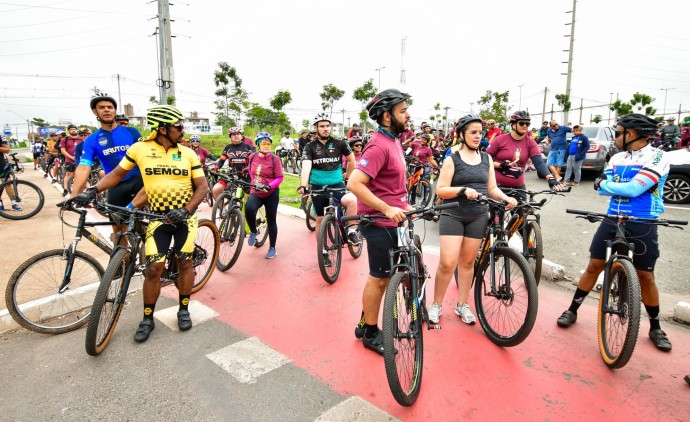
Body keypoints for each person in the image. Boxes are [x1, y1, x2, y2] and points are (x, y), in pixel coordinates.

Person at [75, 105, 208, 343]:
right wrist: (92, 190)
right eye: (178, 127)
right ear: (163, 128)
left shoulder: (188, 153)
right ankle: (147, 318)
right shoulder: (140, 149)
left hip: (184, 218)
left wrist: (186, 210)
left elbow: (203, 187)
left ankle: (184, 309)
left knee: (184, 262)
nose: (182, 131)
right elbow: (116, 174)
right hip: (158, 218)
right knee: (153, 270)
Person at [556, 113, 673, 352]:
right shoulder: (617, 157)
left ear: (631, 134)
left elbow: (630, 188)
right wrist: (609, 186)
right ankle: (572, 309)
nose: (616, 137)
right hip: (612, 218)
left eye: (618, 133)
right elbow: (603, 188)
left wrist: (608, 185)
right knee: (594, 265)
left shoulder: (659, 156)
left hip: (643, 221)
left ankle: (655, 326)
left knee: (646, 276)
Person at [427, 114, 517, 325]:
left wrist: (506, 198)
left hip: (478, 215)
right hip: (453, 214)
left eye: (480, 132)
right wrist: (463, 190)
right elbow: (441, 190)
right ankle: (436, 304)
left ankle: (462, 305)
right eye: (473, 133)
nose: (478, 136)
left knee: (467, 263)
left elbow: (492, 188)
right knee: (448, 263)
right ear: (462, 135)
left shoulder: (486, 158)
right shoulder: (452, 158)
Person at [347, 89, 412, 355]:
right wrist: (386, 208)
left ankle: (365, 323)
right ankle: (371, 333)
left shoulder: (393, 140)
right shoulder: (378, 145)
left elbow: (389, 184)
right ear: (387, 116)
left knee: (384, 278)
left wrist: (405, 206)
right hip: (378, 223)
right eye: (402, 111)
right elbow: (354, 182)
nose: (408, 115)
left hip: (394, 220)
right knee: (379, 278)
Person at [72, 95, 144, 215]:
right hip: (114, 184)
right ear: (95, 111)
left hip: (139, 181)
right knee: (118, 228)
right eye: (101, 107)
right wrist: (74, 195)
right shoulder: (91, 139)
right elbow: (83, 167)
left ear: (114, 111)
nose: (106, 110)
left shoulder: (132, 132)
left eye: (110, 107)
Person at [298, 113, 359, 250]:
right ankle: (323, 250)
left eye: (327, 126)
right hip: (318, 186)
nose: (325, 129)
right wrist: (303, 184)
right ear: (316, 128)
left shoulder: (340, 143)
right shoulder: (309, 146)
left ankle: (351, 231)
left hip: (337, 184)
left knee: (352, 201)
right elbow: (306, 167)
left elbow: (352, 160)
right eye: (322, 126)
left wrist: (347, 177)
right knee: (319, 220)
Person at [486, 111, 563, 198]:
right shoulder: (500, 139)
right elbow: (484, 159)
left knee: (521, 211)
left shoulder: (530, 142)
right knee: (497, 211)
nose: (525, 126)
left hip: (518, 187)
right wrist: (500, 165)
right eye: (522, 123)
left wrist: (550, 178)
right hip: (497, 186)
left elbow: (539, 163)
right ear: (513, 125)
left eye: (527, 123)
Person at [245, 132, 283, 259]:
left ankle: (272, 248)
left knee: (271, 220)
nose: (266, 146)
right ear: (258, 145)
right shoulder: (252, 157)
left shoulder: (274, 159)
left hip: (271, 193)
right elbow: (251, 172)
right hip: (256, 191)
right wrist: (254, 182)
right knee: (249, 208)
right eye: (263, 143)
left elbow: (280, 177)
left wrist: (269, 186)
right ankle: (253, 231)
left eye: (268, 143)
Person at [212, 126, 254, 198]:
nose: (236, 136)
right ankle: (222, 208)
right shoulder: (228, 147)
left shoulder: (248, 147)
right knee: (216, 189)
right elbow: (222, 160)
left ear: (242, 136)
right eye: (233, 134)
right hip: (232, 175)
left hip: (246, 176)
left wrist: (249, 168)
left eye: (238, 134)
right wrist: (217, 167)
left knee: (250, 198)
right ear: (230, 137)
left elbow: (254, 161)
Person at [0, 134, 21, 211]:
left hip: (1, 162)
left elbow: (7, 150)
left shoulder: (1, 136)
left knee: (7, 183)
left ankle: (14, 202)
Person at [60, 124, 83, 196]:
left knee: (80, 174)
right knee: (68, 174)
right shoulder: (65, 139)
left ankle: (79, 189)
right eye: (71, 129)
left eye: (74, 129)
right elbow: (63, 150)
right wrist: (71, 157)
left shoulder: (81, 138)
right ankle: (66, 189)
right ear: (69, 131)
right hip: (69, 159)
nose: (73, 130)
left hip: (80, 159)